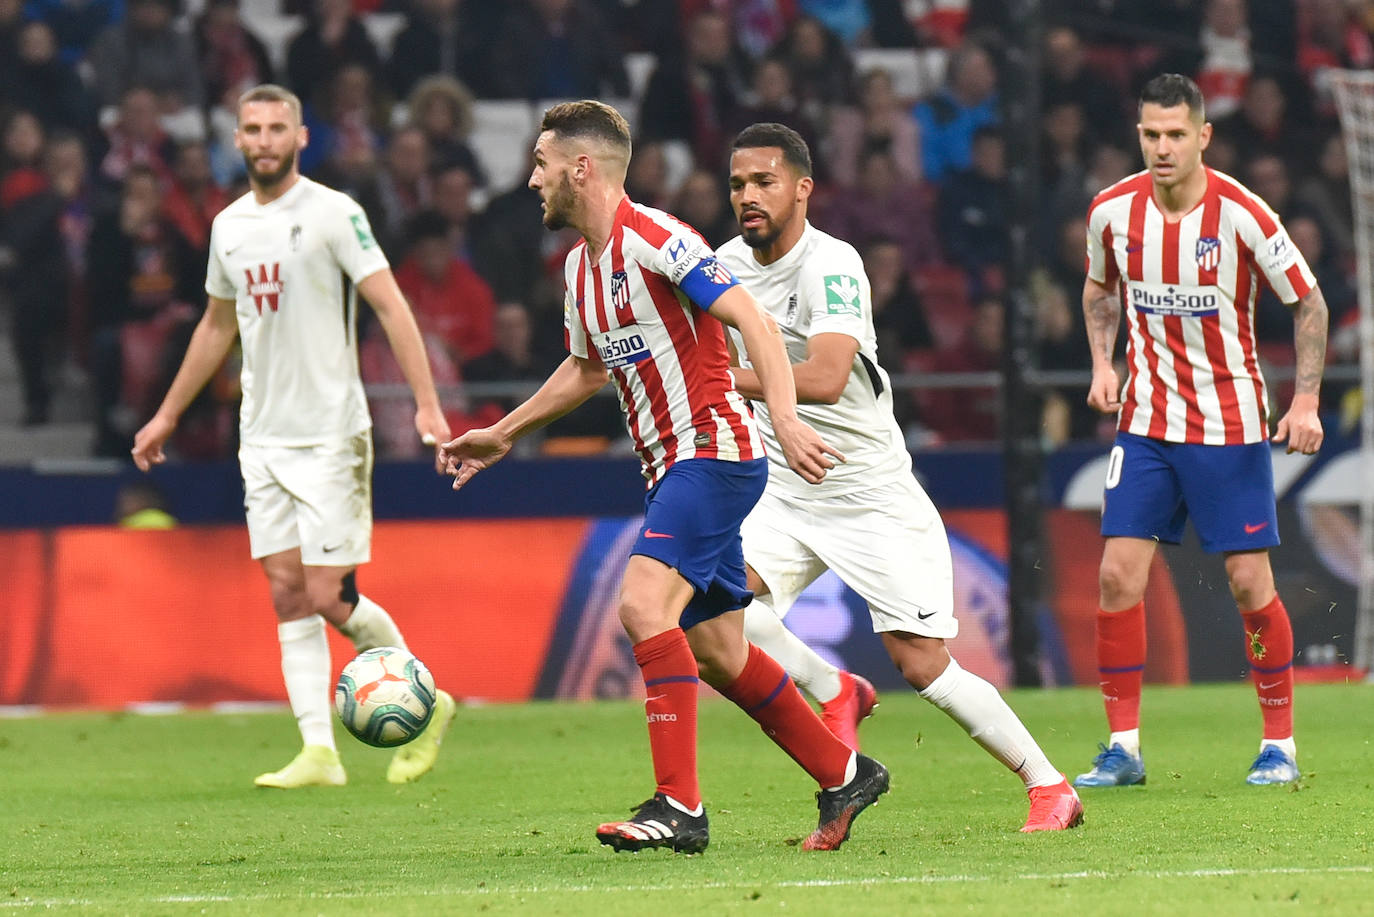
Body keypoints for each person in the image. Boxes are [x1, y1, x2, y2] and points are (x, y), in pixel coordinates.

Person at [439, 100, 890, 854]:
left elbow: (754, 319)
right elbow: (587, 368)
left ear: (580, 168)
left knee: (644, 604)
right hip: (667, 466)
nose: (532, 179)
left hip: (711, 450)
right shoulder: (581, 267)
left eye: (542, 164)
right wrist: (503, 432)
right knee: (717, 649)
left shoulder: (658, 239)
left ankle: (679, 805)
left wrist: (782, 415)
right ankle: (844, 771)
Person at [717, 122, 1084, 834]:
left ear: (802, 189)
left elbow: (823, 377)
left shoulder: (833, 264)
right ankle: (835, 688)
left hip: (867, 492)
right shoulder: (723, 263)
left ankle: (1049, 784)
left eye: (763, 181)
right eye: (737, 184)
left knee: (922, 665)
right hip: (785, 488)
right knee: (713, 607)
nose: (747, 196)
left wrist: (720, 379)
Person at [131, 84, 458, 789]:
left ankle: (428, 702)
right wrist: (167, 414)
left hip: (331, 434)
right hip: (263, 436)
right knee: (285, 590)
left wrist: (428, 406)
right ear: (238, 138)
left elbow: (391, 306)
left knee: (327, 594)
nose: (266, 139)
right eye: (253, 128)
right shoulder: (229, 227)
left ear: (302, 137)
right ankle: (318, 751)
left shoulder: (335, 212)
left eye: (278, 127)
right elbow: (217, 325)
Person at [1077, 73, 1328, 789]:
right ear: (1140, 134)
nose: (1162, 147)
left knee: (1249, 582)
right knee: (1117, 573)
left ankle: (1279, 744)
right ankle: (1123, 748)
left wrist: (1305, 401)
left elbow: (1307, 304)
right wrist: (1104, 361)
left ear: (1203, 136)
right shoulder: (1110, 212)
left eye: (1176, 134)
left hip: (1228, 421)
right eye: (1151, 134)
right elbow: (1099, 288)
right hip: (1147, 422)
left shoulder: (1243, 214)